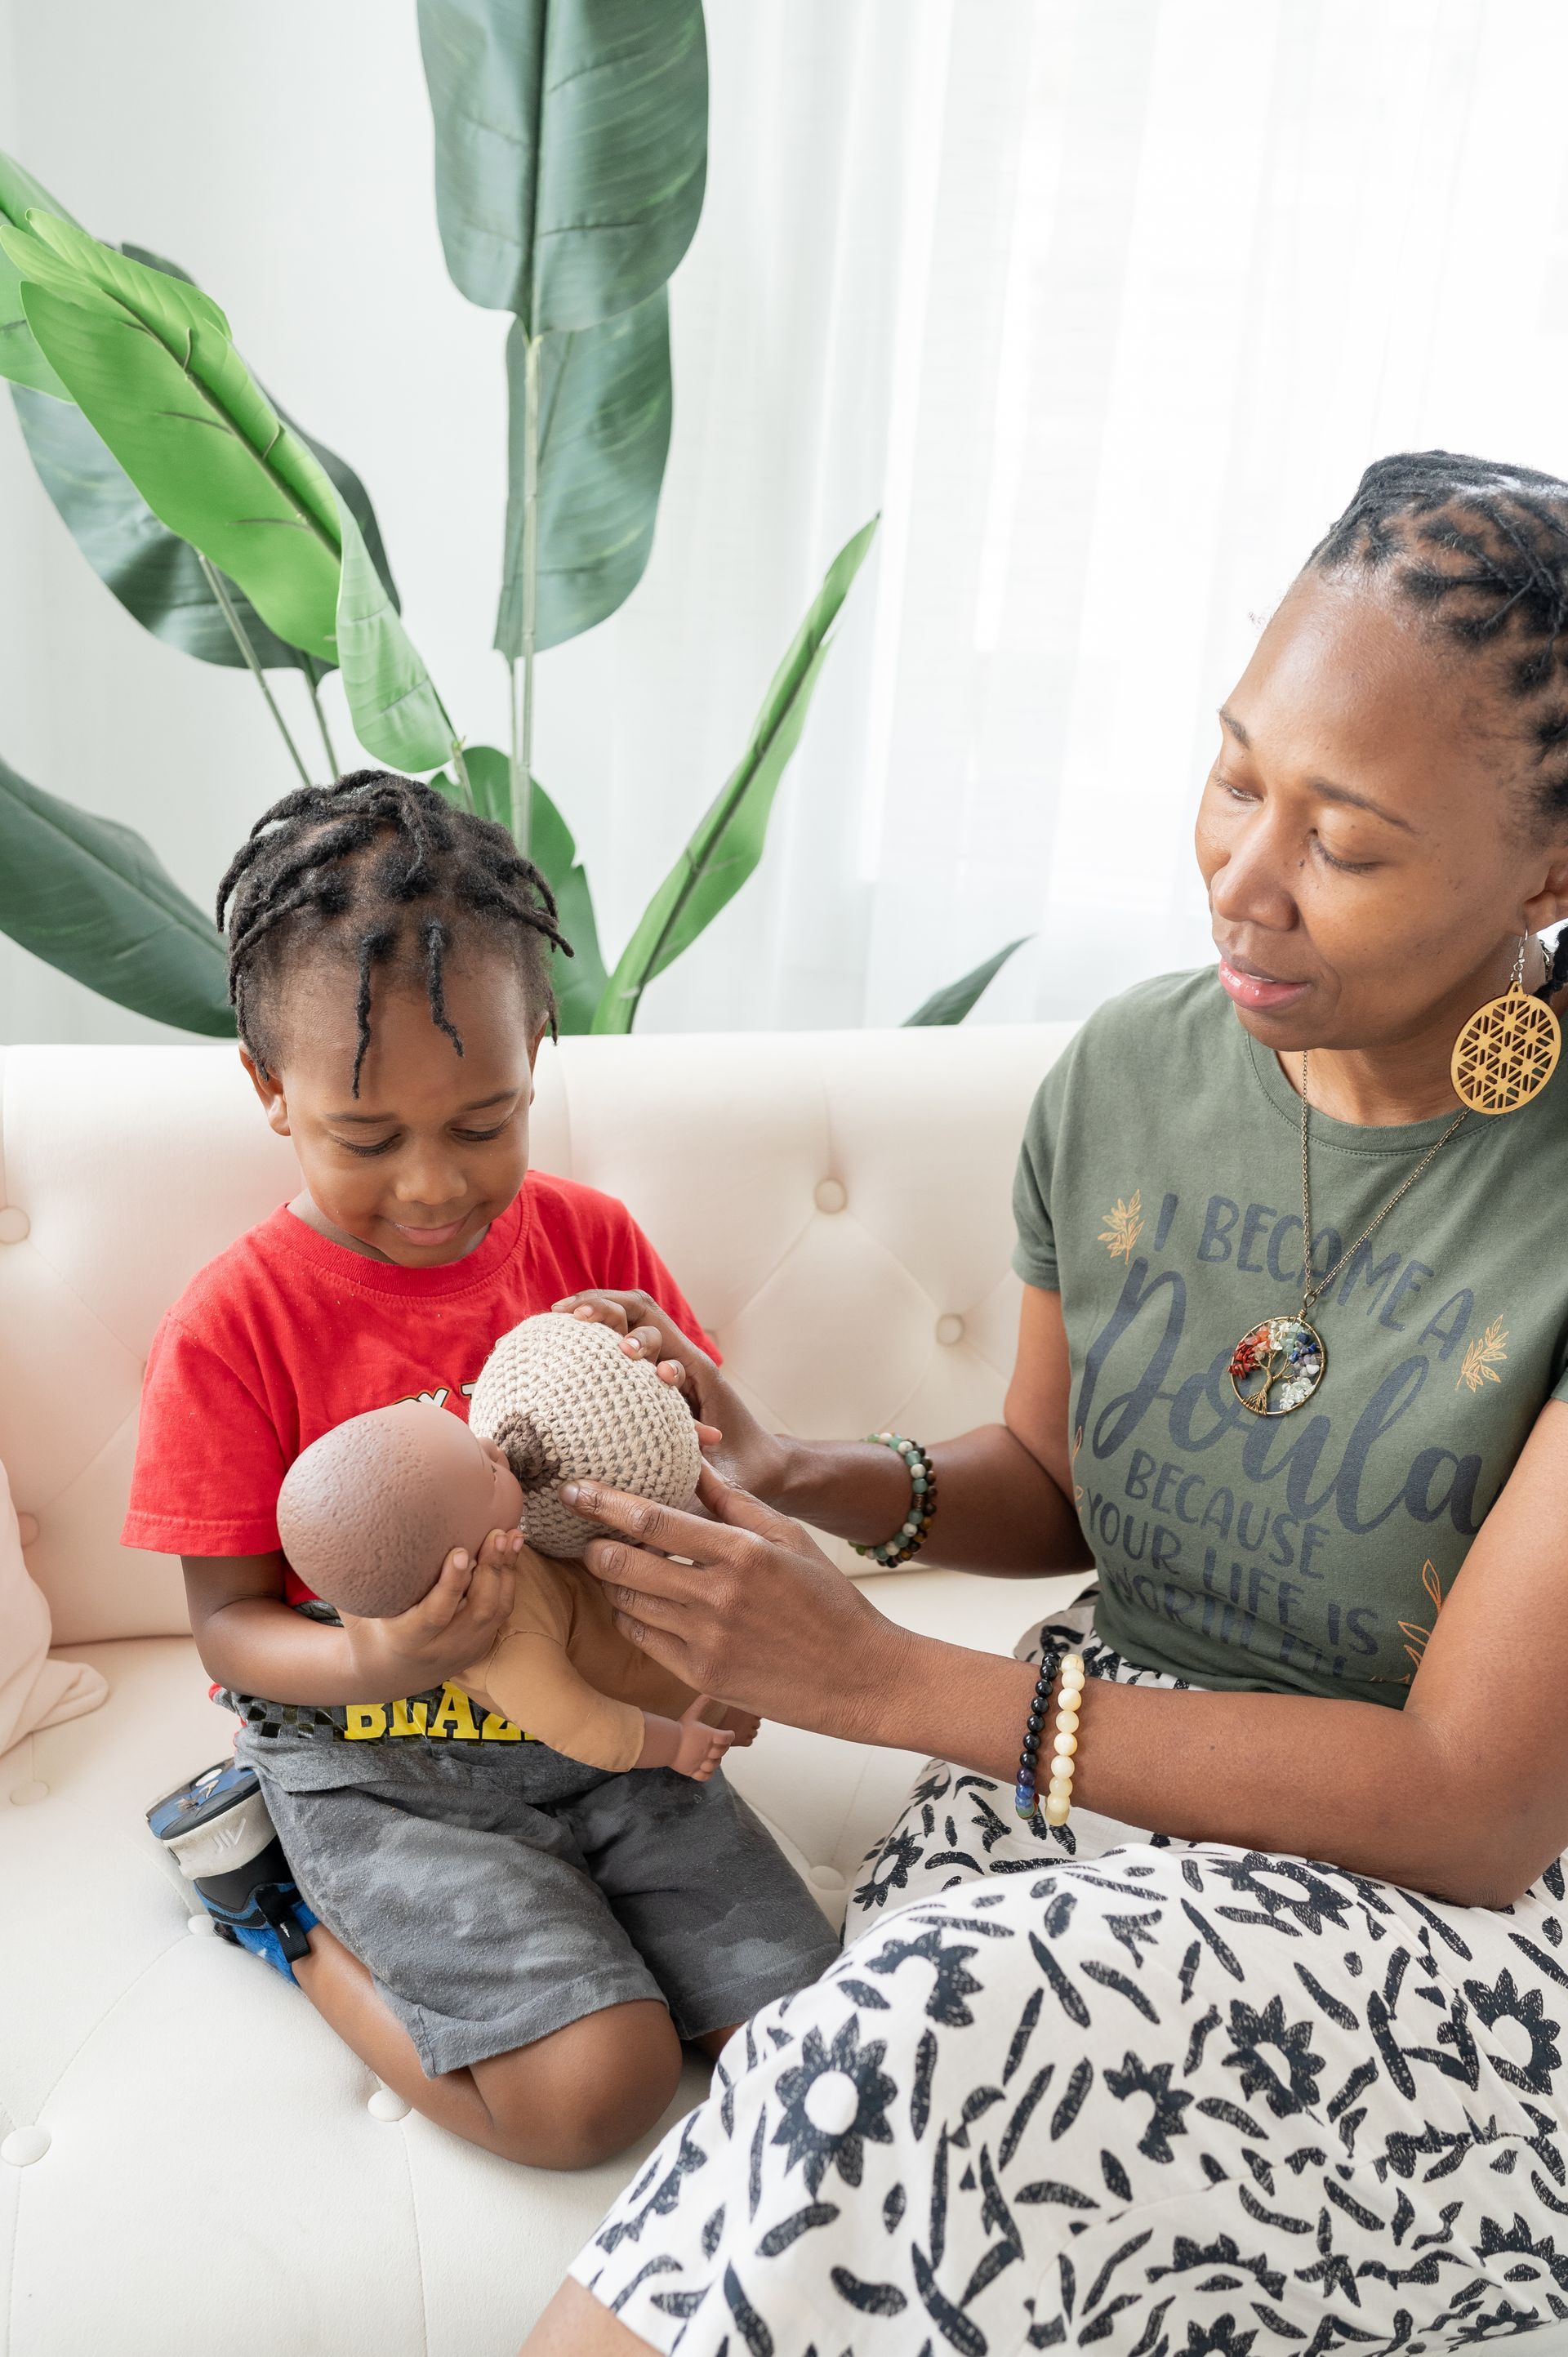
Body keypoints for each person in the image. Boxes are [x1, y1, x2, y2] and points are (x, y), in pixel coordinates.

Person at [528, 452, 1568, 2353]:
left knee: (892, 2067)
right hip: (1080, 1796)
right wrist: (797, 1471)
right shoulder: (1134, 1074)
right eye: (1237, 774)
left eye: (1345, 842)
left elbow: (1474, 1806)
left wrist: (882, 1684)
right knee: (864, 2111)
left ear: (1550, 875)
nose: (1242, 879)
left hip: (1464, 1925)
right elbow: (1060, 1491)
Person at [122, 771, 840, 2172]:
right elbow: (228, 1631)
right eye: (369, 1138)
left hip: (605, 1721)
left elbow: (696, 1487)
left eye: (483, 1121)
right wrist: (387, 1662)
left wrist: (680, 1409)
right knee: (597, 2093)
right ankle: (275, 1913)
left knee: (806, 2034)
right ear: (272, 1091)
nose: (437, 1186)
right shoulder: (235, 1323)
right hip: (377, 1759)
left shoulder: (590, 1243)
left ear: (540, 1051)